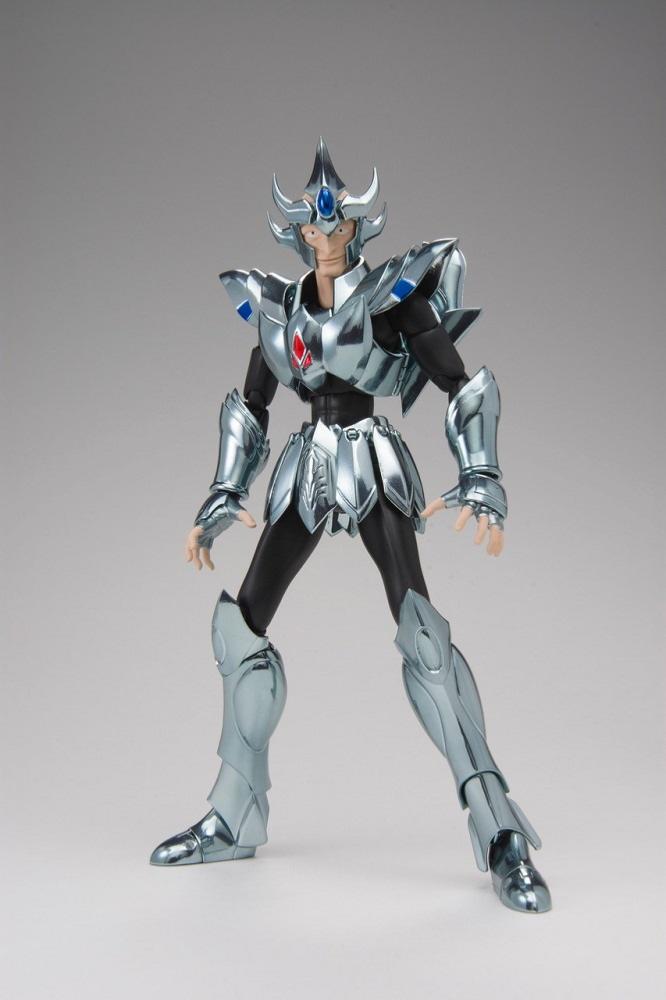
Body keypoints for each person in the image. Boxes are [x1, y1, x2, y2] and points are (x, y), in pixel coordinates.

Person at [150, 139, 552, 914]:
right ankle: (234, 815)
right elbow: (252, 404)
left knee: (422, 633)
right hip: (307, 464)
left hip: (372, 459)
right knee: (239, 627)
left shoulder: (392, 295)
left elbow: (460, 383)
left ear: (357, 227)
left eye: (336, 225)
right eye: (313, 227)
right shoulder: (279, 308)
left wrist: (481, 477)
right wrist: (222, 493)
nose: (325, 236)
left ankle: (502, 833)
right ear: (299, 234)